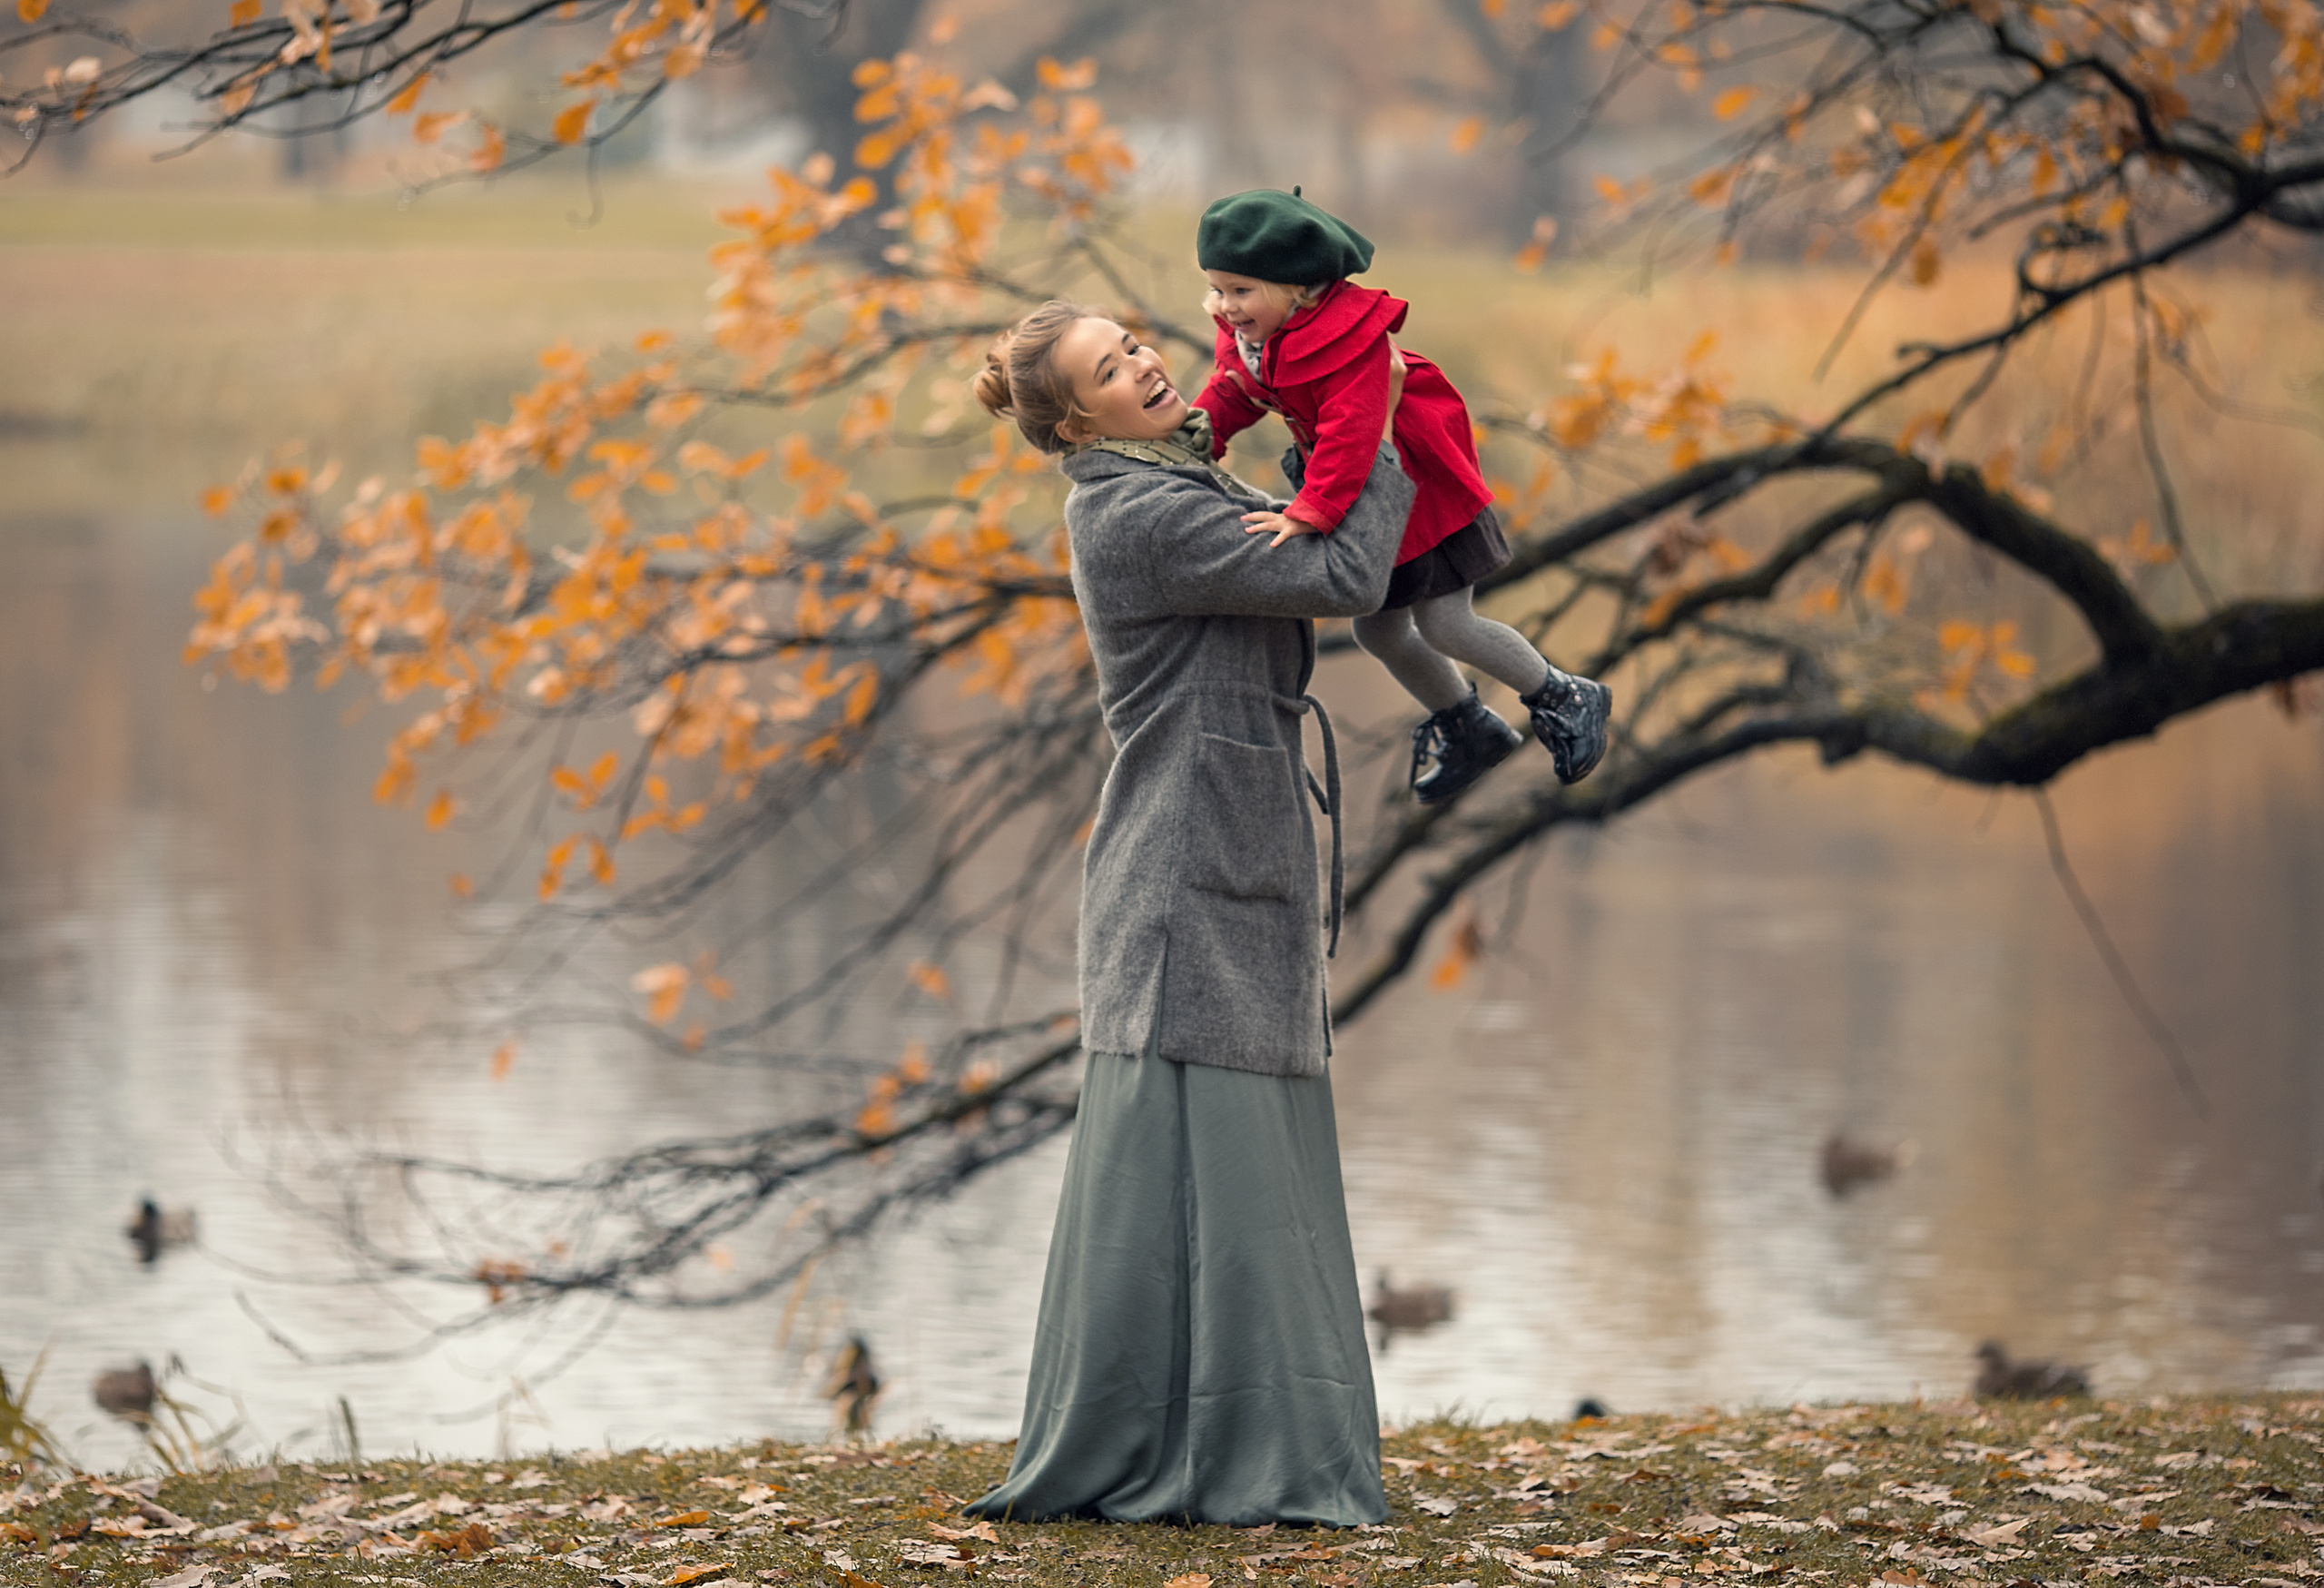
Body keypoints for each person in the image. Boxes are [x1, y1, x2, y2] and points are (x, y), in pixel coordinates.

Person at [960, 300, 1413, 1527]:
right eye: (1112, 368)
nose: (1147, 363)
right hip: (1182, 881)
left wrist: (1320, 412)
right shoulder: (1137, 513)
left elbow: (1292, 532)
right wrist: (1377, 432)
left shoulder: (1174, 483)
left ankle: (1245, 1439)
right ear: (1074, 420)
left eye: (1137, 345)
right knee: (1214, 1177)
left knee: (1242, 1168)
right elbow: (1341, 570)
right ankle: (1229, 1449)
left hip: (1223, 848)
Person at [1191, 186, 1613, 804]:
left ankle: (1563, 693)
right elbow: (1231, 393)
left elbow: (1353, 432)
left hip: (1418, 482)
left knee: (1446, 620)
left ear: (1297, 285)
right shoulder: (1257, 339)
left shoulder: (1347, 339)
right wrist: (1193, 440)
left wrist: (1313, 510)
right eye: (1218, 288)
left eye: (1241, 290)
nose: (1227, 306)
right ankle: (1469, 727)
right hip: (1364, 488)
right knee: (1380, 632)